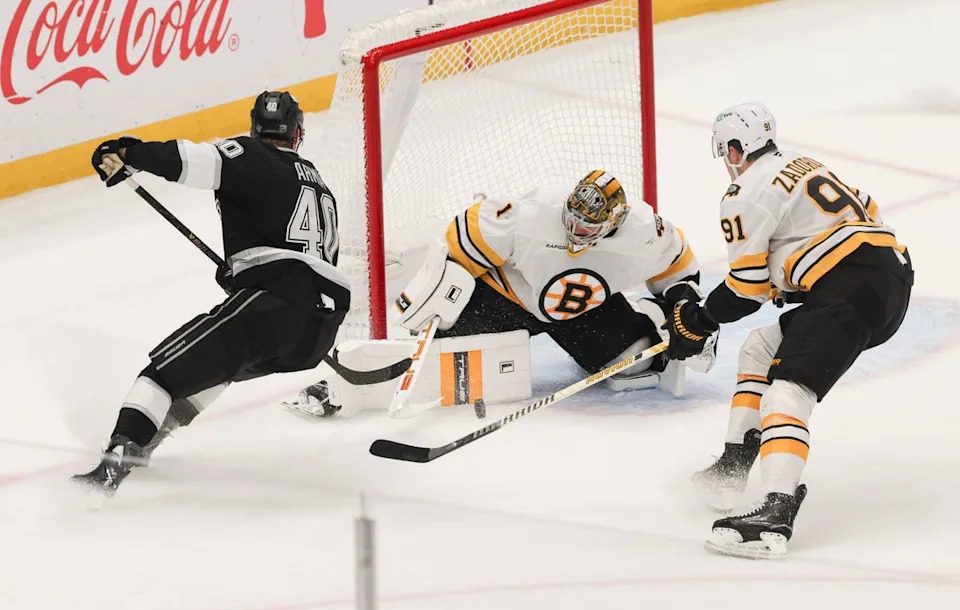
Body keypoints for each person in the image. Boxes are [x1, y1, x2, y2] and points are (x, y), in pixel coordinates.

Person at [664, 102, 913, 558]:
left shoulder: (744, 193)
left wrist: (696, 322)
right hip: (887, 275)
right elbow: (867, 211)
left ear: (737, 151)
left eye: (726, 153)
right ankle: (735, 464)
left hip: (853, 286)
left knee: (787, 391)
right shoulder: (805, 165)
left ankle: (776, 509)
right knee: (761, 349)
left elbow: (745, 290)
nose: (727, 163)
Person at [73, 91, 350, 495]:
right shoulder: (317, 182)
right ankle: (148, 440)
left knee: (161, 376)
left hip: (274, 304)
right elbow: (309, 256)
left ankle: (114, 464)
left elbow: (187, 160)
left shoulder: (249, 153)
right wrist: (244, 272)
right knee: (221, 368)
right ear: (297, 134)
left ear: (255, 128)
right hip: (320, 329)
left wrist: (129, 152)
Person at [293, 170, 713, 418]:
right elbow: (461, 240)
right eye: (572, 217)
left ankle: (648, 320)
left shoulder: (644, 233)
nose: (574, 230)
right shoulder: (532, 214)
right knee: (443, 362)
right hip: (507, 298)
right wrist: (442, 294)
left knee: (633, 364)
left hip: (588, 311)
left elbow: (680, 266)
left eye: (587, 227)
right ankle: (343, 388)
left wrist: (680, 310)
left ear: (613, 222)